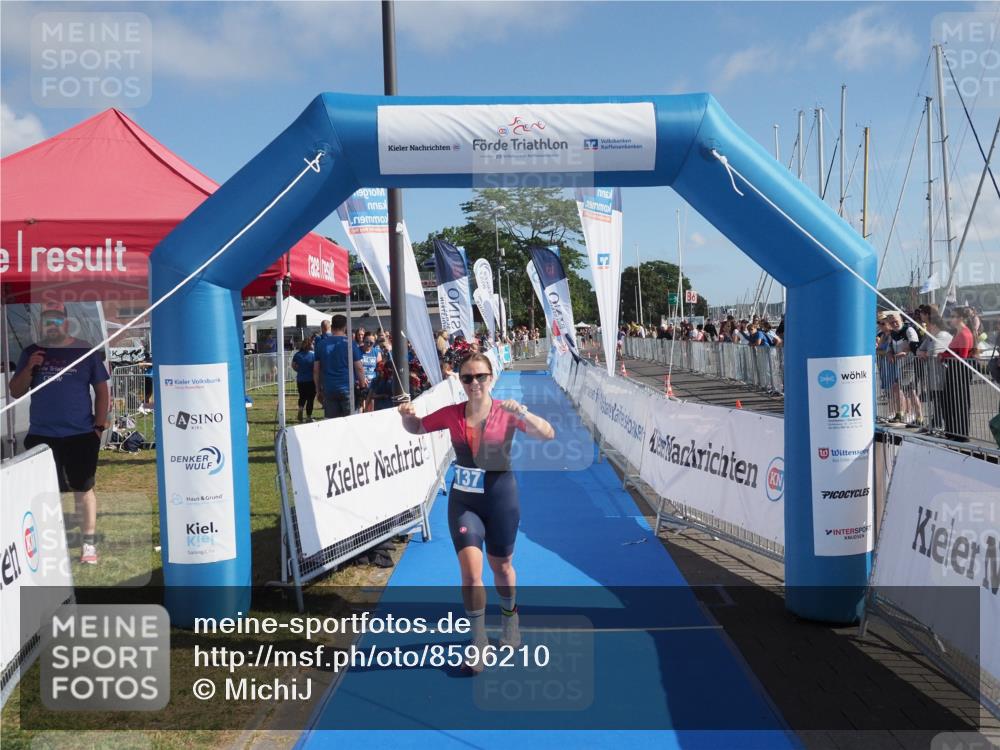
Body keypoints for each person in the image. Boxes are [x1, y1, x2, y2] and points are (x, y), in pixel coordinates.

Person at [398, 353, 555, 674]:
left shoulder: (507, 412)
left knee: (503, 568)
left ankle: (511, 619)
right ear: (460, 381)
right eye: (467, 378)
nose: (474, 384)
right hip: (464, 503)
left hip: (501, 500)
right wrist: (406, 415)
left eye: (480, 377)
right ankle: (478, 639)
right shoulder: (452, 414)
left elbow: (547, 433)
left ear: (491, 378)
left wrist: (524, 411)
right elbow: (416, 428)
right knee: (471, 574)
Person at [9, 303, 110, 564]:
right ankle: (48, 541)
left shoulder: (84, 351)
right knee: (45, 491)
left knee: (83, 488)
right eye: (47, 322)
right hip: (42, 434)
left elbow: (102, 390)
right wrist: (30, 367)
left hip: (81, 434)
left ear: (66, 323)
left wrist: (99, 426)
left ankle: (88, 546)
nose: (51, 327)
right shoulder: (32, 352)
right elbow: (16, 391)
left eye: (56, 322)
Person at [313, 314, 367, 419]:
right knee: (351, 422)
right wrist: (363, 387)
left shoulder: (321, 344)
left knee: (332, 423)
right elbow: (359, 368)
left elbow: (316, 370)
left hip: (329, 389)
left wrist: (318, 390)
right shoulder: (350, 344)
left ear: (332, 327)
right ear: (345, 327)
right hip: (347, 388)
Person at [291, 338, 316, 422]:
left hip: (300, 380)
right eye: (312, 343)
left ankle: (301, 409)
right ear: (309, 345)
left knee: (302, 397)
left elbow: (293, 365)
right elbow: (315, 367)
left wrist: (299, 370)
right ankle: (308, 417)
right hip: (310, 380)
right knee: (310, 399)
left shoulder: (297, 355)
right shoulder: (313, 355)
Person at [359, 333, 382, 413]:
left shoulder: (376, 352)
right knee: (360, 409)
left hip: (372, 385)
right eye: (367, 342)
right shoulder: (357, 351)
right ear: (363, 340)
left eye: (371, 343)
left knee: (370, 410)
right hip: (360, 385)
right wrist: (361, 379)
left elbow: (379, 369)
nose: (369, 344)